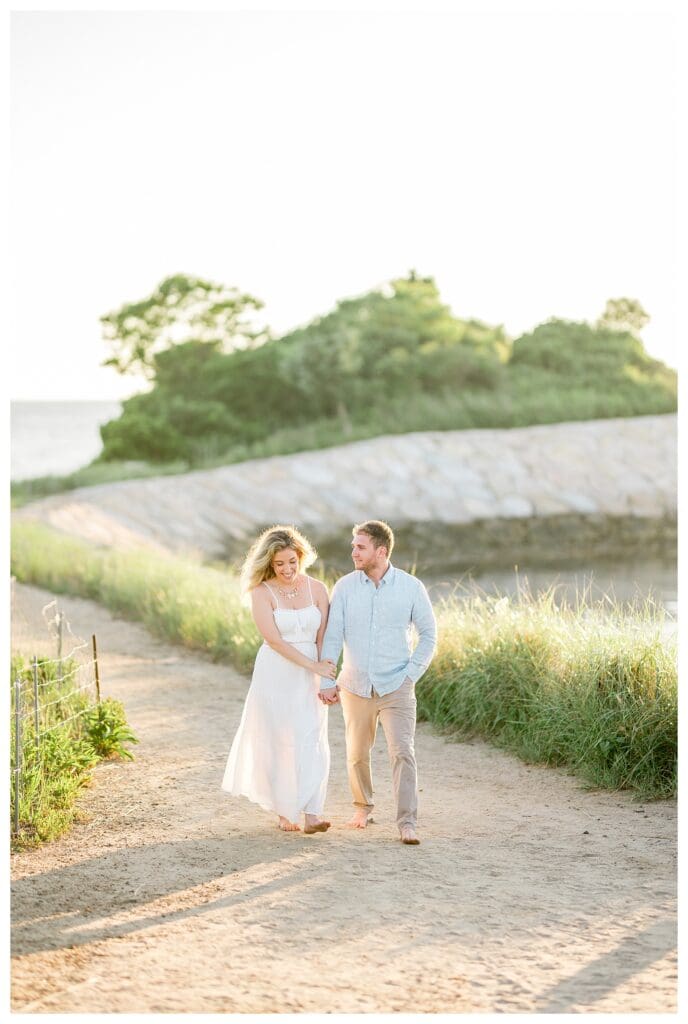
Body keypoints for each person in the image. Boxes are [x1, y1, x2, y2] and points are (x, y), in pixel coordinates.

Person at [319, 520, 437, 846]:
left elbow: (429, 635)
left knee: (403, 752)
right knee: (357, 753)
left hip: (397, 684)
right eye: (353, 545)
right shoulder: (343, 587)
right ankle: (363, 807)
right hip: (355, 685)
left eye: (360, 547)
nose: (353, 551)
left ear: (381, 551)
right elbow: (332, 637)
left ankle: (407, 822)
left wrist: (411, 673)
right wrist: (326, 679)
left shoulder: (411, 587)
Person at [221, 525, 338, 834]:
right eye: (279, 564)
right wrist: (312, 666)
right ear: (269, 564)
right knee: (280, 740)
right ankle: (285, 809)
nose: (287, 569)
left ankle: (313, 813)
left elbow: (324, 634)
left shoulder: (317, 588)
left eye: (292, 561)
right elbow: (273, 640)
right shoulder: (261, 592)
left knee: (312, 738)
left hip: (314, 671)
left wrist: (325, 673)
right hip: (276, 671)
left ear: (301, 556)